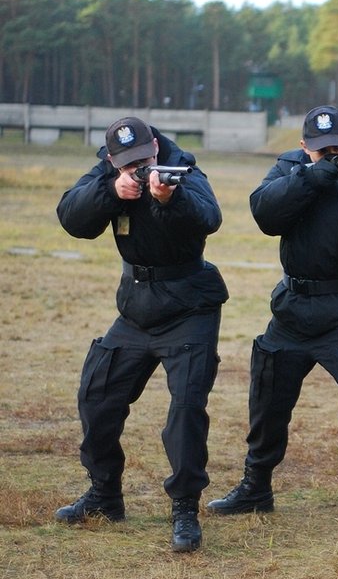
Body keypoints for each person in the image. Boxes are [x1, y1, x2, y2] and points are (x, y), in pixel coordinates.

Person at [204, 106, 338, 539]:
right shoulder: (289, 168)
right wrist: (312, 177)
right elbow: (265, 215)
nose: (330, 154)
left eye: (337, 147)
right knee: (268, 400)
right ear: (303, 146)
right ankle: (257, 486)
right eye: (320, 149)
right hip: (292, 308)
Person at [55, 116, 229, 552]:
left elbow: (210, 217)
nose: (139, 167)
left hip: (189, 305)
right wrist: (111, 192)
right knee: (97, 395)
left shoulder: (181, 168)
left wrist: (169, 199)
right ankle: (105, 493)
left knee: (186, 410)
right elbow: (71, 216)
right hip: (135, 309)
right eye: (127, 163)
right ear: (113, 159)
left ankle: (185, 508)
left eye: (145, 158)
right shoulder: (108, 175)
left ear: (156, 145)